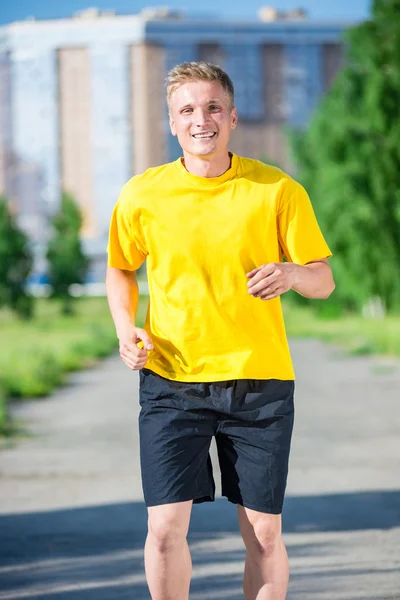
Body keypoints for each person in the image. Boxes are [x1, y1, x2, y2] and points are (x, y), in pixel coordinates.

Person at [106, 61, 335, 600]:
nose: (200, 119)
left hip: (260, 383)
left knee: (264, 532)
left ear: (232, 116)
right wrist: (126, 329)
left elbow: (323, 281)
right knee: (164, 531)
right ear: (172, 122)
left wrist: (292, 271)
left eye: (212, 108)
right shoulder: (143, 194)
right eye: (187, 109)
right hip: (171, 380)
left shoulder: (277, 189)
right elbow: (120, 268)